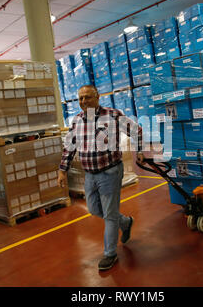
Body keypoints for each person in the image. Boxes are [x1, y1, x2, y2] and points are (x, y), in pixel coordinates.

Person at [58, 85, 144, 271]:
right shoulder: (77, 121)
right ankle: (126, 222)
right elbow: (69, 147)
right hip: (90, 174)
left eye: (87, 97)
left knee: (110, 214)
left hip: (110, 171)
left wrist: (140, 151)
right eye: (80, 98)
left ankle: (110, 254)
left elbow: (136, 130)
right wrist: (62, 170)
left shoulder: (112, 115)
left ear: (97, 97)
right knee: (94, 209)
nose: (83, 102)